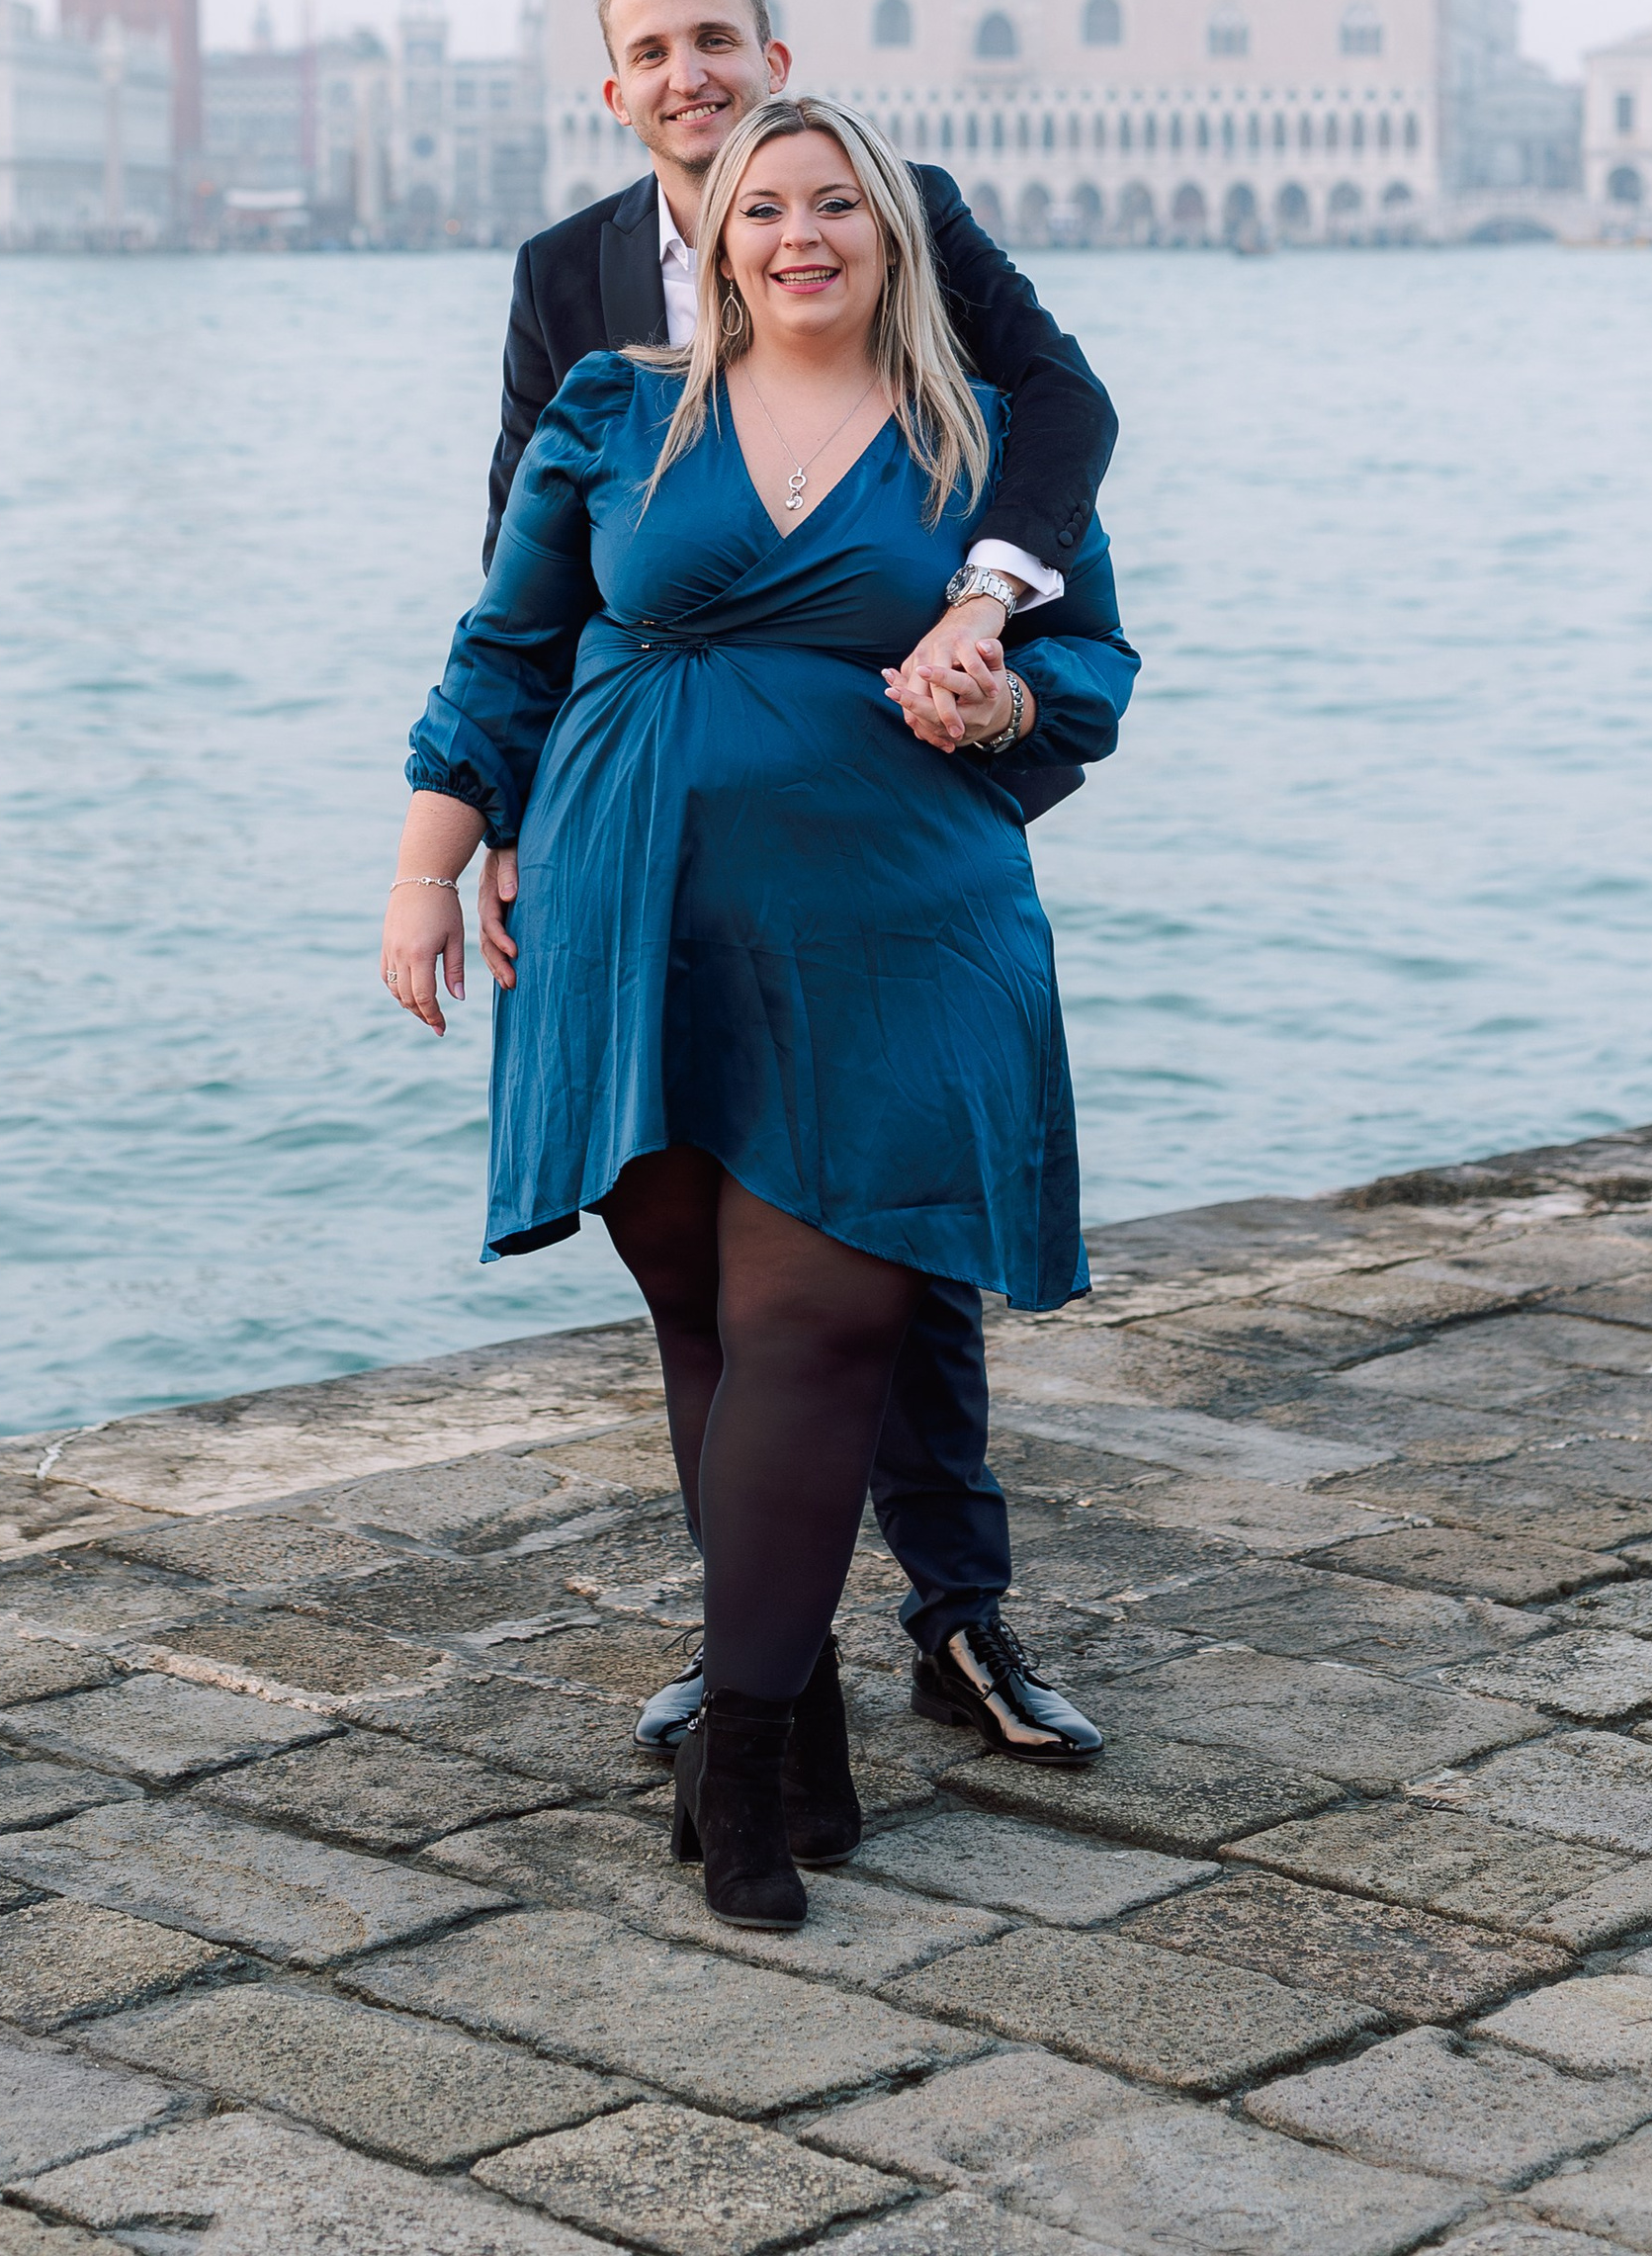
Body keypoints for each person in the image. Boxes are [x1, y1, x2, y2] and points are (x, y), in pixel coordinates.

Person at [383, 95, 1135, 1924]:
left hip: (891, 924)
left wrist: (1003, 709)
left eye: (837, 206)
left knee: (820, 1327)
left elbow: (1090, 678)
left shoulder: (988, 446)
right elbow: (506, 652)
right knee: (707, 1326)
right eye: (764, 210)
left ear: (896, 234)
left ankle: (737, 1766)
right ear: (714, 242)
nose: (801, 234)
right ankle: (792, 1726)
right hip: (627, 904)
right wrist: (427, 860)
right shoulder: (617, 412)